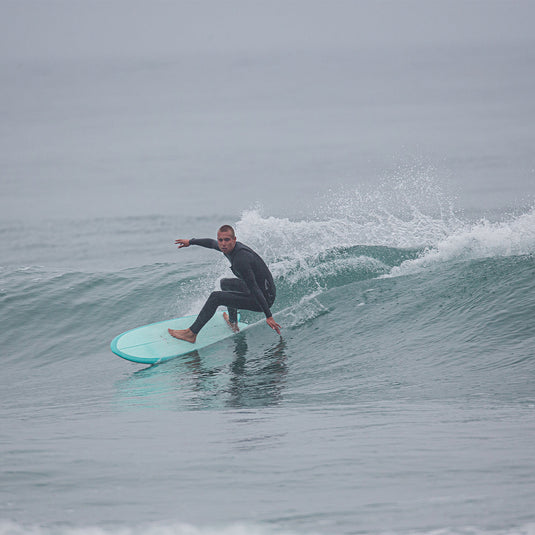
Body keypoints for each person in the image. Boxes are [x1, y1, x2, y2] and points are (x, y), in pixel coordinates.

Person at [168, 225, 281, 343]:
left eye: (227, 240)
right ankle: (233, 323)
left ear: (234, 240)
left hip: (264, 299)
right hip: (260, 289)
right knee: (225, 283)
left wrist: (268, 316)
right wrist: (191, 242)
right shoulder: (227, 248)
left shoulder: (241, 259)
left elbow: (254, 288)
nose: (223, 243)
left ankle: (191, 334)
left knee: (215, 297)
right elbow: (211, 243)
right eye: (220, 240)